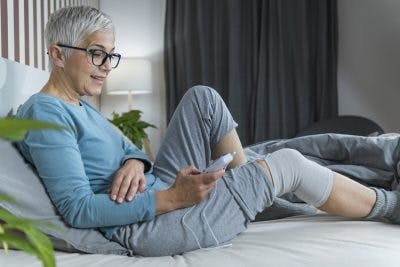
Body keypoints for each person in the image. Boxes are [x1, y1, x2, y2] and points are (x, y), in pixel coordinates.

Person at [16, 6, 399, 257]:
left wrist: (133, 161)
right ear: (57, 54)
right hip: (148, 225)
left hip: (158, 188)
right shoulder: (44, 113)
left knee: (203, 98)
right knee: (288, 163)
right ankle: (389, 206)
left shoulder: (79, 105)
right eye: (96, 53)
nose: (105, 66)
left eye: (110, 55)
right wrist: (172, 199)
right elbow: (78, 210)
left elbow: (129, 147)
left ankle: (254, 195)